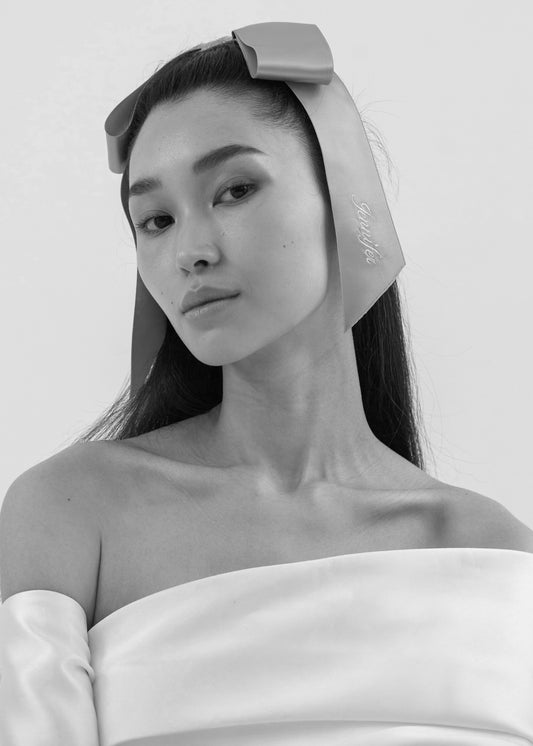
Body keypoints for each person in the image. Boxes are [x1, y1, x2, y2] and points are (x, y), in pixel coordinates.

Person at [1, 22, 533, 745]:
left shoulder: (496, 556)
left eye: (234, 189)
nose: (190, 251)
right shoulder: (71, 512)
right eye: (155, 220)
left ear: (347, 197)